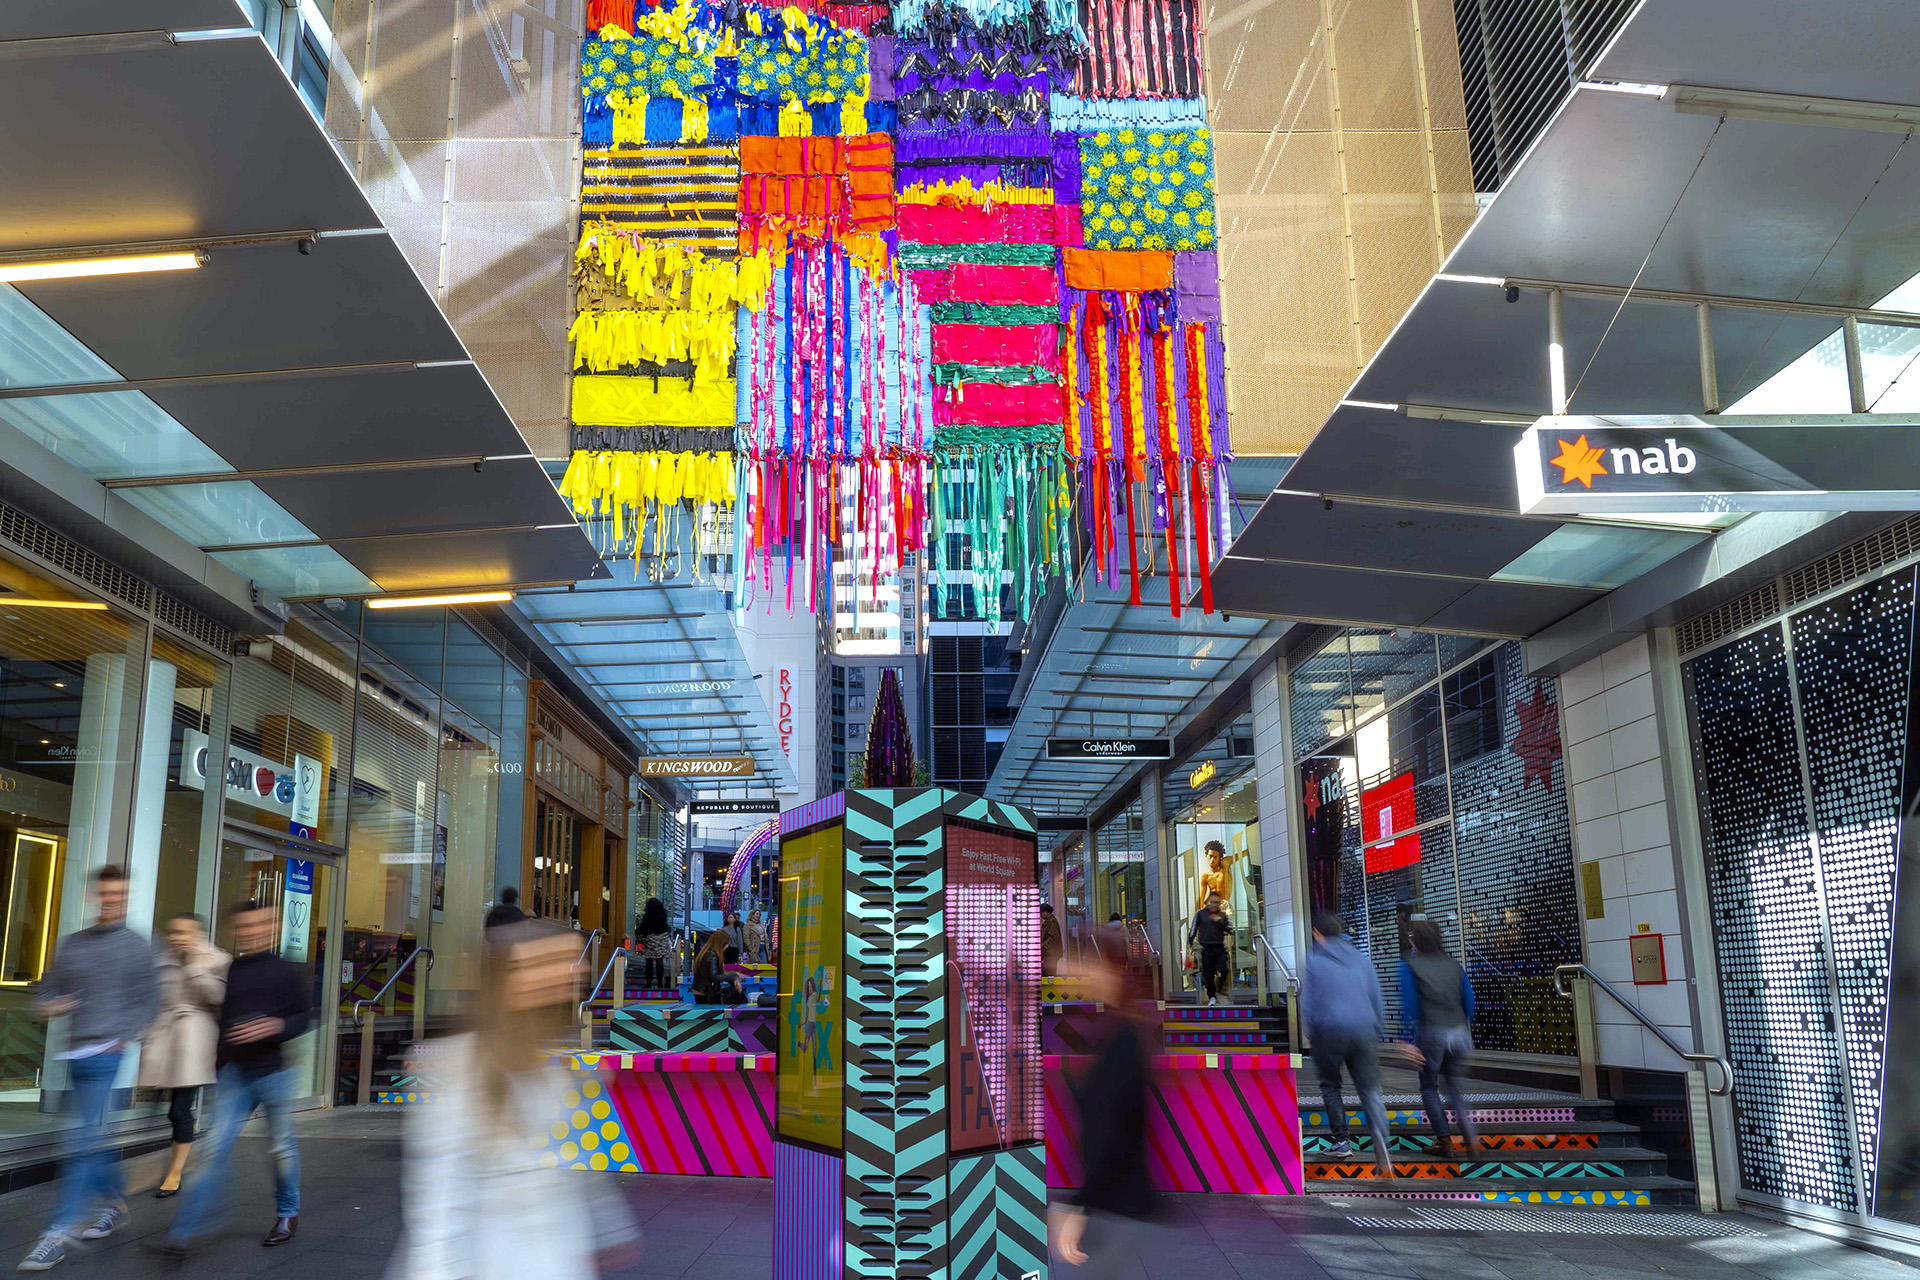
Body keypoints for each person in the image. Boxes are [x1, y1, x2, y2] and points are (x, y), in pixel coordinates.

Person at [388, 920, 638, 1279]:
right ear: (511, 978)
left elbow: (581, 1172)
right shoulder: (459, 1067)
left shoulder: (566, 1073)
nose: (576, 970)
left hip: (556, 1258)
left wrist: (611, 1225)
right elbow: (440, 1199)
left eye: (572, 961)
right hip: (494, 1260)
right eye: (553, 962)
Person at [18, 865, 160, 1272]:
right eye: (107, 894)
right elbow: (48, 987)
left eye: (120, 894)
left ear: (127, 896)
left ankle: (57, 1234)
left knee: (81, 1141)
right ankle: (115, 1203)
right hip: (75, 1054)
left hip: (107, 1056)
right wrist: (48, 1004)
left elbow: (149, 1003)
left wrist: (124, 1035)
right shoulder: (74, 944)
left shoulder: (136, 946)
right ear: (96, 895)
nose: (112, 900)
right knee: (92, 1138)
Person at [160, 899, 311, 1253]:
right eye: (244, 927)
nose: (251, 932)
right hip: (235, 1075)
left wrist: (277, 1025)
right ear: (235, 931)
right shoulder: (234, 969)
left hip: (275, 1073)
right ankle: (184, 1230)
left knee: (280, 1147)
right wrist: (218, 1064)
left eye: (258, 926)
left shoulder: (286, 971)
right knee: (213, 1148)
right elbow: (223, 1018)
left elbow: (304, 1017)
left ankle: (288, 1214)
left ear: (272, 928)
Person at [1050, 952, 1158, 1274]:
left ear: (1112, 972)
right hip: (1115, 1205)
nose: (1083, 973)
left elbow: (1112, 1131)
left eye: (1091, 966)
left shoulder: (1123, 1041)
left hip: (1117, 1210)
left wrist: (1081, 1207)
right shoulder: (1113, 1031)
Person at [139, 913, 230, 1201]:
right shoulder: (162, 960)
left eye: (184, 932)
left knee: (179, 1110)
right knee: (159, 1108)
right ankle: (172, 1161)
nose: (178, 937)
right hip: (164, 1041)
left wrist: (194, 966)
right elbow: (153, 998)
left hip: (194, 1043)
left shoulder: (216, 959)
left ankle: (175, 1173)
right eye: (174, 931)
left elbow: (218, 997)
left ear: (198, 934)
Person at [1300, 910, 1393, 1178]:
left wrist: (1311, 1035)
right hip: (1363, 1030)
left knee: (1330, 1085)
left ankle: (1342, 1142)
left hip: (1329, 1032)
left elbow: (1310, 1002)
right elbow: (1375, 996)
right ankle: (1382, 1151)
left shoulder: (1314, 961)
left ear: (1317, 933)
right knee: (1370, 1090)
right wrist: (1377, 1028)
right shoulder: (1362, 959)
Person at [1400, 919, 1481, 1158]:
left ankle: (1445, 1142)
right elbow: (1469, 1001)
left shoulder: (1411, 966)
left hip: (1431, 1033)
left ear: (1416, 941)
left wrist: (1407, 1039)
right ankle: (1470, 1137)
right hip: (1458, 1032)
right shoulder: (1454, 965)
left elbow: (1410, 1005)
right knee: (1453, 1086)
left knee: (1429, 1087)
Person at [1186, 892, 1233, 1006]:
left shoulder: (1222, 915)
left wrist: (1219, 921)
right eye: (1212, 902)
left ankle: (1219, 991)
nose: (1215, 905)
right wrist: (1191, 943)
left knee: (1224, 970)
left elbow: (1230, 929)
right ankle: (1211, 996)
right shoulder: (1201, 914)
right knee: (1208, 973)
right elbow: (1193, 928)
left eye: (1217, 902)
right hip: (1206, 948)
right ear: (1208, 902)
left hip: (1219, 947)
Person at [687, 928, 734, 1005]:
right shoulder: (712, 956)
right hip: (706, 994)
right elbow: (715, 977)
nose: (727, 946)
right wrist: (733, 976)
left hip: (701, 992)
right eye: (725, 943)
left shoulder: (706, 953)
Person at [635, 898, 672, 991]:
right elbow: (666, 926)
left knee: (649, 961)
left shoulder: (648, 914)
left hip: (651, 938)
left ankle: (648, 983)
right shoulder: (662, 913)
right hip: (662, 938)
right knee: (659, 961)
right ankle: (660, 982)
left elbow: (644, 926)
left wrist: (637, 932)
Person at [1039, 904, 1064, 977]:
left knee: (1049, 973)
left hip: (1051, 953)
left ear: (1046, 912)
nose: (1040, 915)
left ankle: (1051, 988)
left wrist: (1042, 945)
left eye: (1041, 913)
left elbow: (1053, 937)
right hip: (1051, 953)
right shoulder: (1049, 921)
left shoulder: (1051, 922)